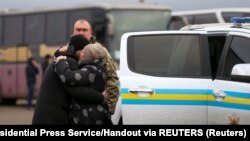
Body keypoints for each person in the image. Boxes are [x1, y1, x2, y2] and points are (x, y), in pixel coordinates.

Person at [32, 35, 104, 125]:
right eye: (85, 50)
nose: (85, 54)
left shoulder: (63, 59)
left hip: (47, 115)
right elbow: (77, 91)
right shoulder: (69, 61)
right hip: (53, 117)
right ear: (80, 51)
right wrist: (101, 96)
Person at [60, 19, 119, 114]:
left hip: (96, 107)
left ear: (91, 32)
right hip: (72, 109)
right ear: (73, 32)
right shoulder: (65, 50)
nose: (81, 32)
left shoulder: (100, 51)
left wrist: (109, 107)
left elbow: (112, 78)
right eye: (78, 30)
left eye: (84, 30)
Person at [55, 43, 112, 125]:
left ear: (87, 56)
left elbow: (69, 77)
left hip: (89, 118)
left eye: (83, 52)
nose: (81, 54)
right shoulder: (98, 69)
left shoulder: (91, 70)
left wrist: (61, 61)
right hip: (94, 115)